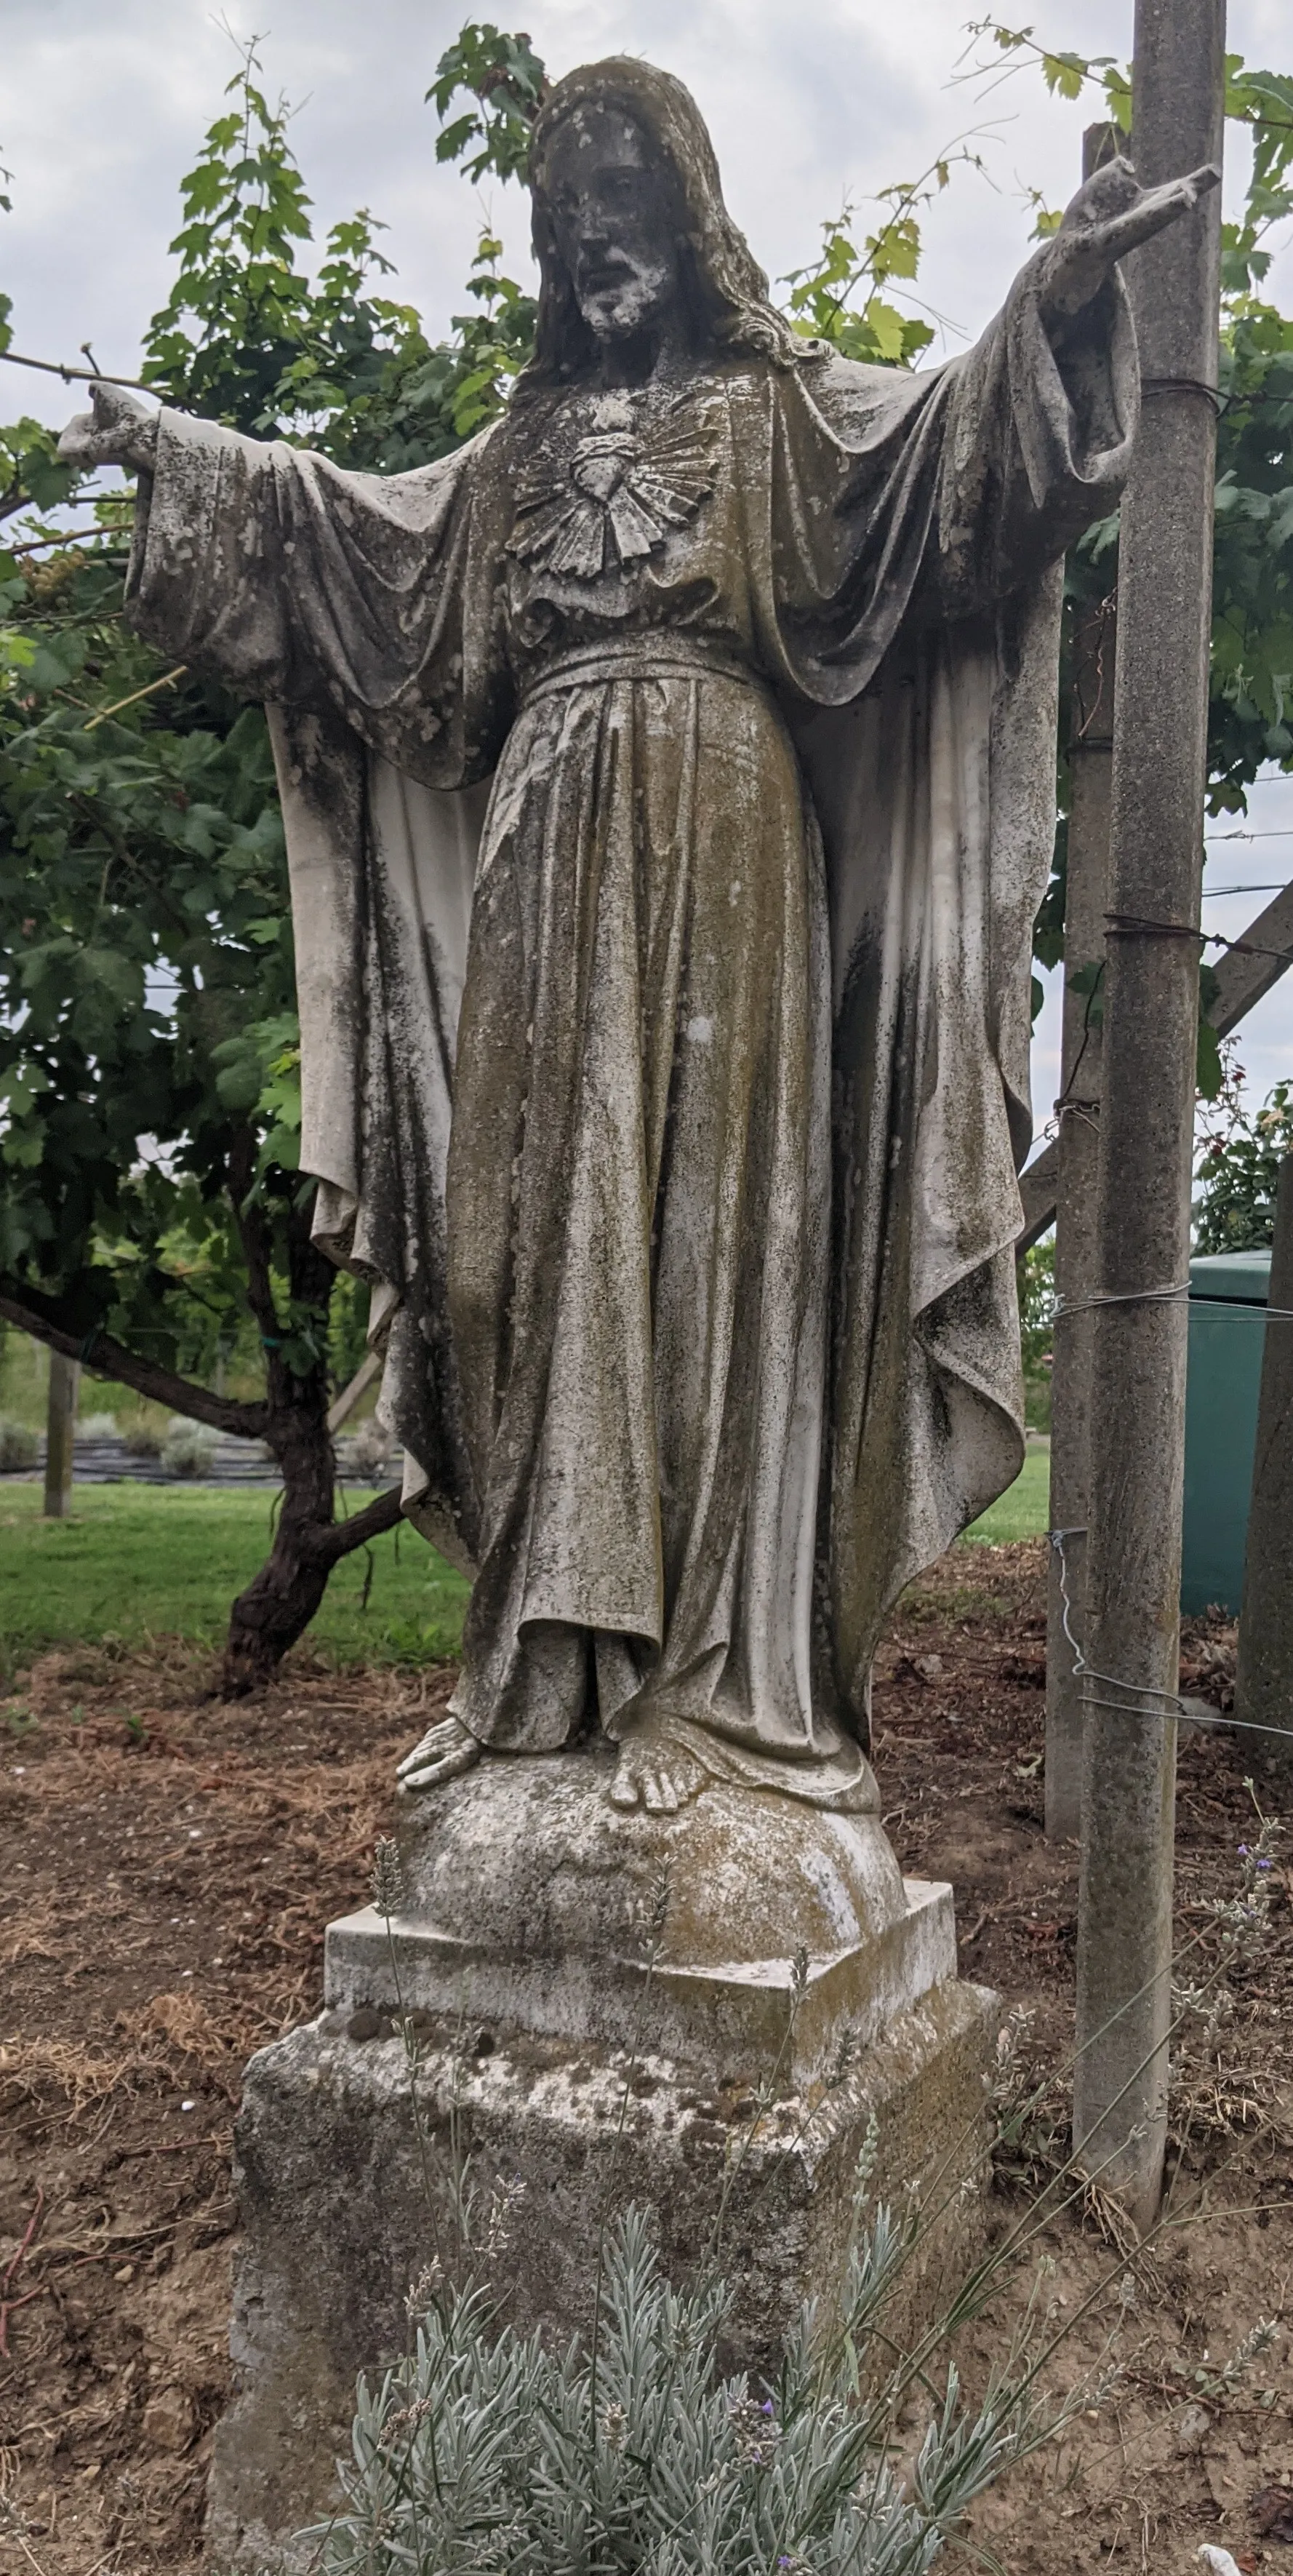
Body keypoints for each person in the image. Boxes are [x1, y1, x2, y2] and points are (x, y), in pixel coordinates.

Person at [62, 59, 1215, 1814]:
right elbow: (352, 540)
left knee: (704, 1246)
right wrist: (180, 454)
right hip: (539, 851)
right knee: (507, 1255)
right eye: (564, 211)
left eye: (624, 200)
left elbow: (945, 470)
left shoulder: (778, 417)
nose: (594, 235)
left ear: (689, 215)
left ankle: (705, 1690)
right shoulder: (516, 452)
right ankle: (533, 1671)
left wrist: (1047, 301)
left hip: (728, 850)